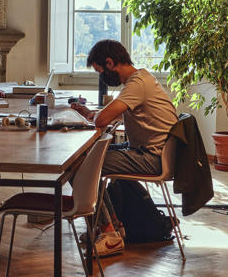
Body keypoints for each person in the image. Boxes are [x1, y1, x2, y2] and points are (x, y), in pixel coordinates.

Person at [71, 39, 178, 256]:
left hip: (152, 157)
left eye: (100, 70)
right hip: (151, 151)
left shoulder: (136, 84)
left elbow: (102, 121)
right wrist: (90, 114)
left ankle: (108, 233)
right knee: (89, 159)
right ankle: (114, 227)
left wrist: (96, 117)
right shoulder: (142, 78)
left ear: (110, 63)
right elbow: (110, 116)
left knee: (82, 165)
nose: (102, 76)